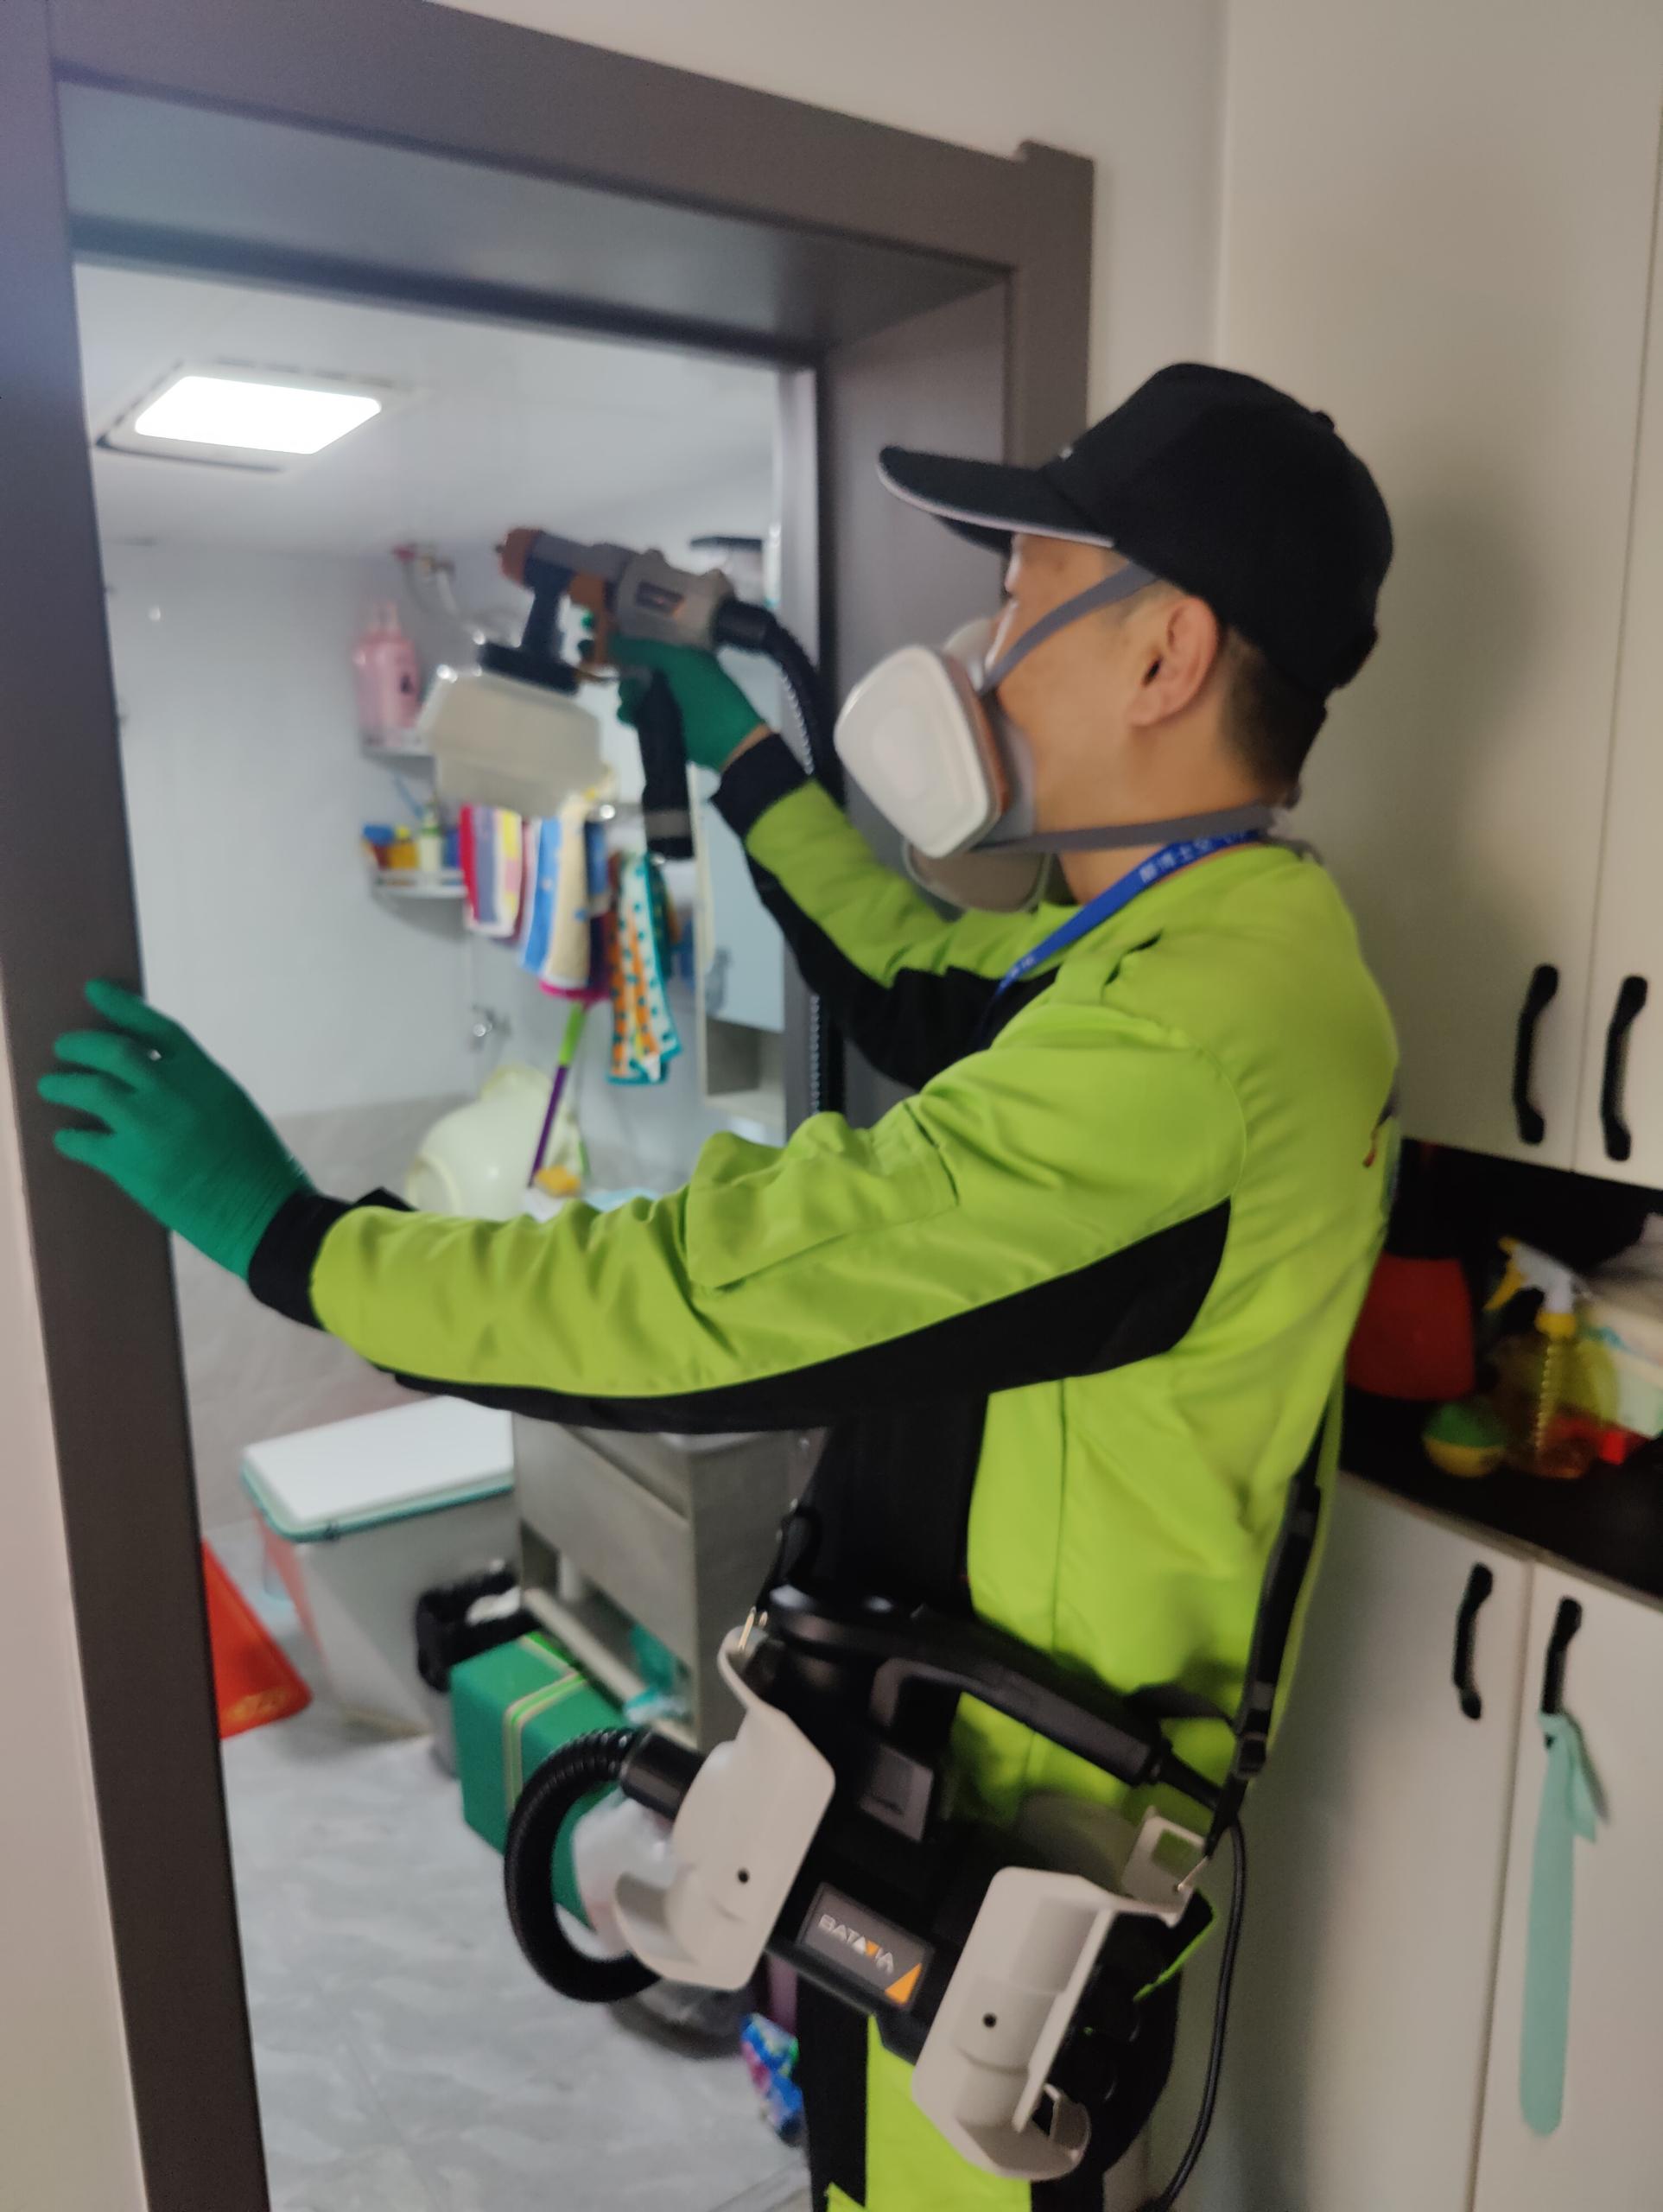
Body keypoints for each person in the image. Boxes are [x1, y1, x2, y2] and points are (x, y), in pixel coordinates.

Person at [41, 363, 1396, 2212]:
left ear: (1164, 651)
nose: (984, 646)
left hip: (1003, 1866)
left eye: (1022, 588)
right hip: (941, 1795)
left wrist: (297, 1236)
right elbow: (912, 974)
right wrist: (742, 750)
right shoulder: (1190, 941)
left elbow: (701, 1301)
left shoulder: (1188, 1039)